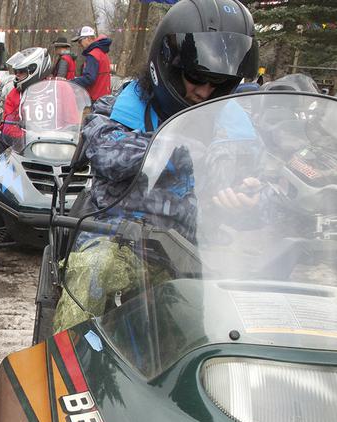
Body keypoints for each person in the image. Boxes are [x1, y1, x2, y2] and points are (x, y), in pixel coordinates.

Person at [52, 0, 259, 332]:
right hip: (116, 241)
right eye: (196, 77)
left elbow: (263, 182)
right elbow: (106, 152)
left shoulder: (234, 125)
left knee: (238, 307)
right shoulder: (118, 106)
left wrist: (251, 197)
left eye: (218, 83)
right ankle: (70, 359)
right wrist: (179, 145)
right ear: (169, 66)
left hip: (193, 252)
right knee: (93, 269)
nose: (205, 92)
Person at [0, 48, 52, 162]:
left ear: (34, 70)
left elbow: (72, 123)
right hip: (23, 140)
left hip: (52, 141)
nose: (17, 75)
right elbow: (6, 125)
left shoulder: (56, 91)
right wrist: (25, 136)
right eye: (16, 72)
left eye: (21, 71)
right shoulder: (15, 94)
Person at [70, 26, 112, 102]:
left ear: (88, 39)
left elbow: (89, 78)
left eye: (80, 41)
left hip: (95, 99)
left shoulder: (93, 55)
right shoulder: (102, 52)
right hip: (104, 98)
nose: (79, 44)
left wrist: (71, 83)